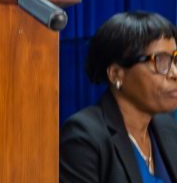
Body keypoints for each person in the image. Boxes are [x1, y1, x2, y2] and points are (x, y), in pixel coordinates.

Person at [60, 11, 177, 182]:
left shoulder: (167, 127)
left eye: (175, 60)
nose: (174, 73)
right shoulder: (83, 137)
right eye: (160, 61)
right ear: (116, 74)